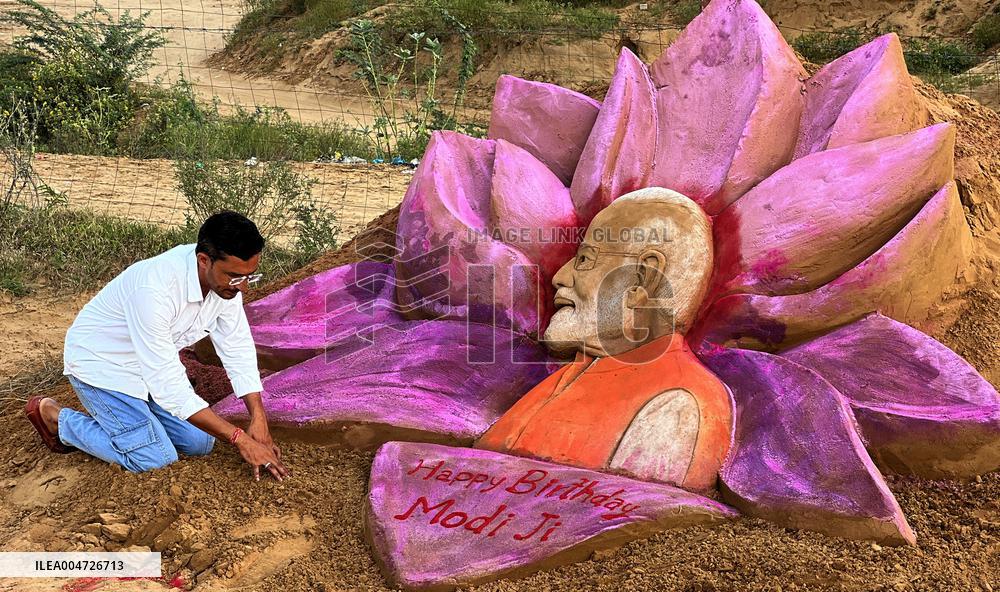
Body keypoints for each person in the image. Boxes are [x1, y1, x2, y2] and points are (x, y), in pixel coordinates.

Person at [476, 188, 733, 492]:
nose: (561, 276)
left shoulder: (675, 405)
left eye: (585, 259)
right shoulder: (571, 374)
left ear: (644, 278)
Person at [24, 210, 289, 481]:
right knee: (155, 459)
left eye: (249, 276)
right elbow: (169, 386)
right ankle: (58, 419)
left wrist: (258, 417)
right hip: (103, 365)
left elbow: (237, 346)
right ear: (203, 260)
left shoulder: (225, 285)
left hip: (147, 365)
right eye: (235, 277)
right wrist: (240, 439)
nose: (243, 287)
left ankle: (140, 419)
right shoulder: (154, 291)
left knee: (201, 443)